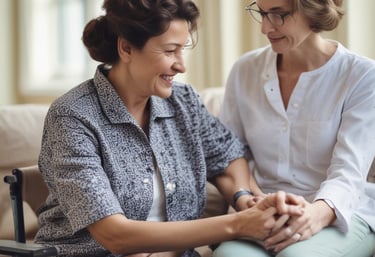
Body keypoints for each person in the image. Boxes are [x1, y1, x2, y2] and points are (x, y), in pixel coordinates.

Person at [34, 1, 305, 257]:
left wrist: (244, 196)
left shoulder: (183, 101)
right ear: (126, 48)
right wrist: (239, 223)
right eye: (169, 50)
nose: (181, 64)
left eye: (182, 49)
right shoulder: (72, 117)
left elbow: (227, 155)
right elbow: (114, 234)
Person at [214, 0, 375, 257]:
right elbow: (227, 154)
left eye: (279, 15)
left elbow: (349, 173)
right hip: (265, 212)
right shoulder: (245, 70)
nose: (266, 28)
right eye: (262, 14)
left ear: (313, 10)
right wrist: (250, 199)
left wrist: (314, 215)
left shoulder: (362, 75)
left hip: (339, 211)